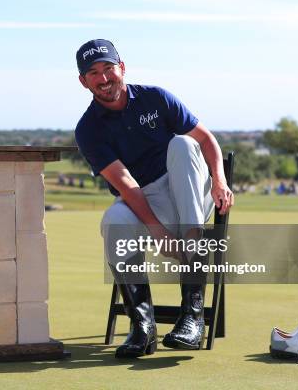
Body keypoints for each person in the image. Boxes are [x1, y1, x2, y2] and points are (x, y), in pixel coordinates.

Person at [74, 39, 234, 358]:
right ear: (83, 81)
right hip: (145, 200)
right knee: (114, 221)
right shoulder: (88, 129)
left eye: (108, 68)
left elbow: (205, 139)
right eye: (93, 73)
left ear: (122, 67)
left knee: (183, 145)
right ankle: (143, 327)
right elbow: (127, 185)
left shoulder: (156, 97)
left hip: (188, 191)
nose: (104, 78)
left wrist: (219, 180)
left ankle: (192, 317)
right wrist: (158, 232)